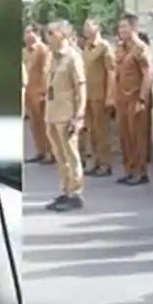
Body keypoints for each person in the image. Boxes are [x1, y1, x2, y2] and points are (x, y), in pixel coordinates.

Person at [41, 20, 86, 211]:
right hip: (52, 113)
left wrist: (79, 116)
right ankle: (65, 190)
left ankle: (76, 193)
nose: (48, 36)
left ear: (63, 34)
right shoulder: (53, 57)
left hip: (67, 115)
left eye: (52, 33)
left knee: (71, 155)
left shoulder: (72, 57)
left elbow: (81, 88)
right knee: (60, 156)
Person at [113, 13, 151, 186]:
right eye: (120, 27)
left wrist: (142, 99)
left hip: (135, 98)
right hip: (122, 99)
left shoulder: (140, 48)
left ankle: (140, 171)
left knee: (137, 137)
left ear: (134, 28)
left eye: (125, 27)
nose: (121, 31)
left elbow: (148, 74)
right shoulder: (121, 48)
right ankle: (129, 169)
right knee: (125, 137)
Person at [81, 19, 116, 177]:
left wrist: (110, 95)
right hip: (87, 95)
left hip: (100, 95)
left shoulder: (104, 47)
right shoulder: (86, 48)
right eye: (85, 26)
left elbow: (111, 72)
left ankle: (105, 163)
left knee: (102, 131)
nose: (86, 29)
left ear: (98, 28)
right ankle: (95, 161)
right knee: (91, 131)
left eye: (90, 26)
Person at [23, 23, 53, 164]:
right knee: (34, 124)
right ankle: (40, 150)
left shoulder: (43, 50)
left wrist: (45, 90)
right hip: (29, 92)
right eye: (26, 32)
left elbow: (46, 71)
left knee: (44, 123)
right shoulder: (24, 51)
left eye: (30, 32)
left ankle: (49, 152)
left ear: (37, 34)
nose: (28, 35)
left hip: (40, 91)